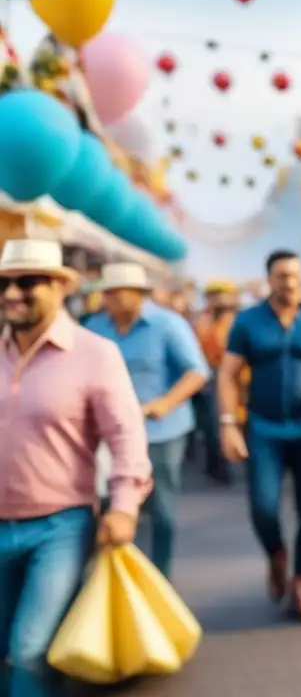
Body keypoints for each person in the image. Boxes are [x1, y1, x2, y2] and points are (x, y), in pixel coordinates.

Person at [0, 239, 151, 695]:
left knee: (29, 648)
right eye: (5, 283)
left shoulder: (95, 353)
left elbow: (126, 436)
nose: (12, 295)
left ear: (60, 288)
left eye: (27, 283)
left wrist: (123, 506)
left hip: (60, 526)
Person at [217, 250, 301, 621]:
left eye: (294, 276)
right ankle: (276, 553)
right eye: (280, 276)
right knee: (263, 507)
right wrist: (228, 424)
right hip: (263, 429)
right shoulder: (247, 322)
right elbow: (227, 374)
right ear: (269, 279)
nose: (288, 282)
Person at [86, 262, 209, 579]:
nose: (108, 299)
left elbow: (197, 372)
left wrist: (166, 403)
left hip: (161, 432)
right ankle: (120, 577)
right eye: (106, 292)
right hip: (109, 435)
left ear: (136, 294)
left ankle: (160, 576)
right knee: (113, 507)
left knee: (161, 508)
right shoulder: (95, 327)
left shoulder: (167, 324)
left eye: (115, 292)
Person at [193, 280, 241, 484]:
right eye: (214, 296)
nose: (219, 300)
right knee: (211, 424)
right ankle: (218, 465)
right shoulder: (201, 322)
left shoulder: (239, 321)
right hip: (209, 376)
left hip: (236, 377)